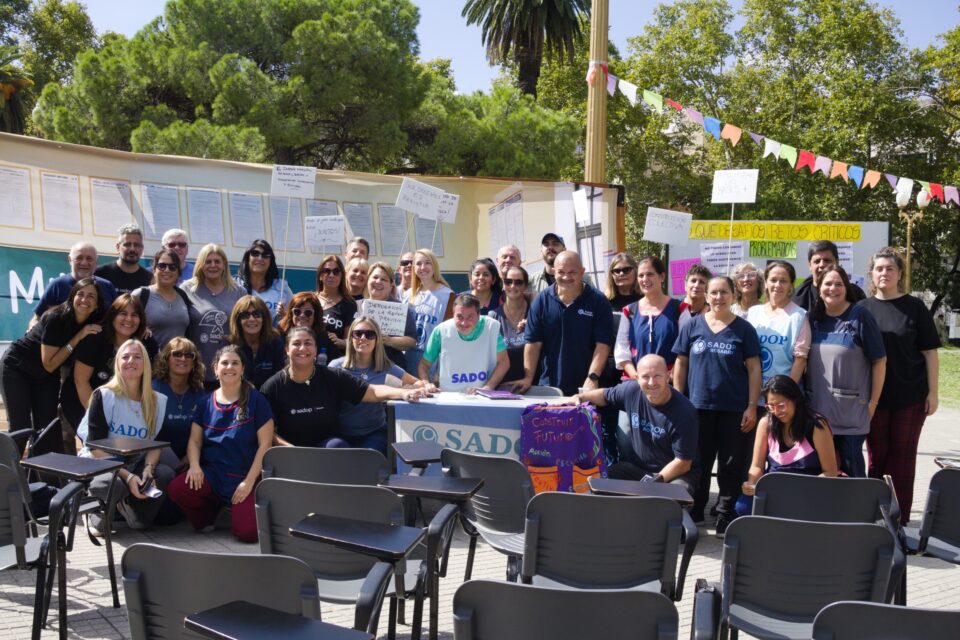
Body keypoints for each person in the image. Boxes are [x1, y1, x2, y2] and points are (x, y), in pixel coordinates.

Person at [673, 275, 762, 535]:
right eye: (713, 292)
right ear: (706, 296)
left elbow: (755, 368)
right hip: (696, 407)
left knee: (730, 465)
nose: (718, 297)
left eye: (724, 292)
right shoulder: (692, 325)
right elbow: (681, 363)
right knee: (698, 460)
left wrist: (752, 405)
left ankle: (725, 514)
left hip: (734, 408)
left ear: (733, 295)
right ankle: (696, 508)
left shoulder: (744, 329)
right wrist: (678, 399)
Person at [859, 247, 940, 522]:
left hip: (911, 396)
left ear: (900, 273)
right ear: (872, 273)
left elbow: (930, 352)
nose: (884, 273)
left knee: (902, 459)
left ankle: (899, 518)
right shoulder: (863, 309)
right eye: (879, 268)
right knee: (877, 457)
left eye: (890, 268)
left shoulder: (915, 307)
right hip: (874, 398)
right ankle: (875, 514)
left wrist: (934, 393)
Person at [167, 345, 274, 542]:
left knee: (248, 533)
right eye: (224, 363)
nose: (229, 367)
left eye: (235, 363)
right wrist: (195, 466)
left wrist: (248, 483)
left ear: (243, 368)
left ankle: (239, 510)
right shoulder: (205, 402)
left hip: (244, 475)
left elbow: (265, 446)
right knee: (177, 488)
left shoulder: (257, 401)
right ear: (215, 368)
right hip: (213, 475)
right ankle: (209, 514)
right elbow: (195, 440)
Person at [261, 326, 429, 448]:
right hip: (290, 451)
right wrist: (290, 449)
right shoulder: (273, 386)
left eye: (308, 343)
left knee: (338, 447)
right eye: (296, 344)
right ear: (287, 350)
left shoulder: (332, 376)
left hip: (326, 446)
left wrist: (404, 393)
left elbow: (373, 391)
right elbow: (268, 432)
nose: (303, 348)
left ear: (315, 349)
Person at [77, 339, 172, 533]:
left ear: (145, 364)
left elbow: (155, 445)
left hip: (135, 464)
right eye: (125, 357)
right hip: (103, 464)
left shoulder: (157, 402)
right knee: (112, 483)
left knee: (164, 474)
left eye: (137, 357)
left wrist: (148, 471)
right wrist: (127, 477)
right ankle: (95, 515)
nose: (131, 361)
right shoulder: (103, 395)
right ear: (117, 363)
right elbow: (95, 448)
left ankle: (132, 510)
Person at [571, 354, 699, 493]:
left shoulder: (685, 412)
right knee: (598, 483)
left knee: (676, 494)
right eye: (645, 377)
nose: (651, 382)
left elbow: (683, 463)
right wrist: (581, 397)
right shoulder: (631, 390)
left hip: (673, 475)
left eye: (657, 376)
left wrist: (653, 483)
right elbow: (604, 395)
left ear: (668, 376)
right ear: (637, 378)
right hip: (638, 470)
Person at [806, 265, 886, 478]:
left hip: (850, 415)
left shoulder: (859, 316)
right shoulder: (812, 319)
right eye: (827, 284)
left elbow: (880, 361)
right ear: (819, 288)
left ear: (847, 287)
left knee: (851, 477)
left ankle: (857, 513)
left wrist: (873, 404)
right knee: (820, 474)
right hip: (817, 414)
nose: (833, 288)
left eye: (839, 284)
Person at [0, 278, 103, 432]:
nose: (84, 300)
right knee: (21, 429)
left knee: (47, 431)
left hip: (46, 376)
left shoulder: (95, 321)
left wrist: (143, 330)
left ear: (97, 305)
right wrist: (78, 337)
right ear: (72, 297)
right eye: (80, 294)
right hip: (18, 367)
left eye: (91, 296)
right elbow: (49, 364)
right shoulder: (56, 318)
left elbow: (120, 323)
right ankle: (10, 456)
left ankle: (38, 456)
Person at [61, 294, 159, 448]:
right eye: (123, 313)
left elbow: (148, 382)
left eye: (135, 315)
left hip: (121, 407)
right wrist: (99, 418)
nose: (129, 319)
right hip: (82, 400)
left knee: (124, 450)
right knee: (97, 447)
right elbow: (81, 382)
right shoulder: (95, 339)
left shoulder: (146, 343)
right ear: (112, 316)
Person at [737, 375, 839, 516]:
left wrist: (798, 490)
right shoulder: (766, 423)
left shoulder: (817, 426)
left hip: (809, 490)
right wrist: (751, 483)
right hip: (774, 488)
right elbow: (757, 466)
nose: (776, 412)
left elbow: (830, 472)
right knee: (743, 506)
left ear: (795, 400)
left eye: (781, 406)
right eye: (770, 406)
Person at [330, 318, 435, 453]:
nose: (363, 338)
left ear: (377, 339)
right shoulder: (336, 367)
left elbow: (417, 383)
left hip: (374, 432)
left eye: (369, 334)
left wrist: (411, 388)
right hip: (341, 432)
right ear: (350, 338)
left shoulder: (386, 367)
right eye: (358, 333)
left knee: (368, 458)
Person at [517, 251, 614, 396]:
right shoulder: (541, 301)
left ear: (582, 272)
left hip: (588, 388)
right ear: (554, 272)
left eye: (572, 272)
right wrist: (528, 378)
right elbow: (533, 343)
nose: (566, 277)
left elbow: (603, 344)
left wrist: (592, 377)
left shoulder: (598, 301)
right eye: (561, 272)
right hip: (551, 387)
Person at [183, 243, 244, 389]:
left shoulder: (238, 291)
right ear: (200, 264)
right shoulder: (187, 289)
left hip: (228, 369)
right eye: (208, 261)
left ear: (224, 264)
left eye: (217, 261)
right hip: (195, 370)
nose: (213, 265)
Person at [419, 294, 510, 392]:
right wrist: (426, 384)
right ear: (453, 315)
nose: (464, 323)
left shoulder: (492, 327)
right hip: (449, 397)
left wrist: (488, 387)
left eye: (470, 317)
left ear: (479, 316)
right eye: (460, 317)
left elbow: (504, 363)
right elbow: (424, 365)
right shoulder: (441, 331)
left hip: (481, 397)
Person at [614, 256, 682, 377]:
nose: (645, 279)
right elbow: (621, 349)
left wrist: (671, 375)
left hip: (670, 382)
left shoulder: (680, 309)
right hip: (636, 381)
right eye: (641, 275)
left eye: (650, 274)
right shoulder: (629, 311)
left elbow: (687, 349)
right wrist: (635, 375)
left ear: (662, 277)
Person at [746, 260, 810, 386]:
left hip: (781, 395)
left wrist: (786, 393)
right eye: (773, 280)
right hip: (753, 390)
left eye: (783, 281)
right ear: (765, 283)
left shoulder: (799, 316)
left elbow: (800, 360)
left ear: (791, 285)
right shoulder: (753, 313)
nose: (777, 285)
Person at [153, 337, 206, 475]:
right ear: (166, 359)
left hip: (191, 459)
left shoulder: (199, 393)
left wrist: (191, 457)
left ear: (194, 362)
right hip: (157, 458)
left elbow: (205, 431)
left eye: (189, 355)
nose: (183, 359)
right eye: (177, 354)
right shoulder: (153, 389)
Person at [32, 241, 117, 321]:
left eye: (89, 259)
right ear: (70, 260)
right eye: (79, 258)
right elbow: (36, 318)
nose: (84, 263)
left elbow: (115, 318)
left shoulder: (107, 286)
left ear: (96, 261)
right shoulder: (57, 285)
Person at [133, 248, 199, 350]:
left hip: (178, 360)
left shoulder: (183, 296)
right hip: (150, 361)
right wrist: (139, 328)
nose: (167, 270)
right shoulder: (141, 295)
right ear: (154, 270)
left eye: (172, 267)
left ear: (178, 272)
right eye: (162, 266)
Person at [405, 248, 455, 376]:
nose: (423, 267)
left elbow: (449, 336)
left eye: (427, 262)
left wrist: (439, 370)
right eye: (418, 263)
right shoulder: (407, 295)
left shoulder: (448, 295)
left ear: (434, 266)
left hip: (432, 359)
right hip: (408, 357)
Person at [359, 262, 417, 369]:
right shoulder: (357, 306)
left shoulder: (399, 308)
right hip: (361, 366)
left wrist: (390, 341)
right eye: (375, 277)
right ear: (368, 280)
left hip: (392, 366)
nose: (378, 282)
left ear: (391, 285)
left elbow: (412, 340)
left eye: (384, 279)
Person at [227, 295, 285, 389]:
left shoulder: (275, 342)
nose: (251, 319)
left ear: (264, 317)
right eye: (245, 315)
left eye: (257, 314)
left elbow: (281, 377)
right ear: (237, 320)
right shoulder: (229, 345)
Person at [792, 240, 866, 310]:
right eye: (817, 261)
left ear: (837, 263)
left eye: (827, 260)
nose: (822, 265)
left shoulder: (855, 293)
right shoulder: (797, 298)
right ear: (810, 266)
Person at [488, 265, 530, 383]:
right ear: (503, 284)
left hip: (531, 384)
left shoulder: (534, 314)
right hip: (502, 386)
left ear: (526, 286)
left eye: (518, 282)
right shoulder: (493, 316)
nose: (512, 286)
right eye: (508, 282)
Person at [235, 239, 293, 322]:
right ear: (247, 258)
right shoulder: (235, 285)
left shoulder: (282, 287)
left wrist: (286, 316)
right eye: (255, 253)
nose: (260, 258)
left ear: (271, 261)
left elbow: (294, 316)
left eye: (265, 255)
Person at [315, 254, 357, 360]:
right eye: (326, 271)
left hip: (334, 361)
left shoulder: (349, 304)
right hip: (308, 357)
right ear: (320, 276)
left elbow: (350, 341)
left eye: (336, 271)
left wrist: (340, 342)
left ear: (342, 276)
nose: (331, 275)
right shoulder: (311, 300)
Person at [94, 224, 153, 295]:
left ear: (142, 248)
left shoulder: (149, 279)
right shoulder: (100, 273)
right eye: (127, 244)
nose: (132, 249)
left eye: (136, 245)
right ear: (118, 247)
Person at [277, 291, 334, 360]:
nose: (302, 315)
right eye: (297, 312)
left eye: (308, 312)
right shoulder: (279, 335)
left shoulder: (323, 337)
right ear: (291, 314)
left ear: (316, 315)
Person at [678, 263, 711, 330]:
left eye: (702, 282)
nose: (696, 285)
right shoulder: (674, 308)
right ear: (685, 284)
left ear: (708, 288)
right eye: (693, 281)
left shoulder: (712, 312)